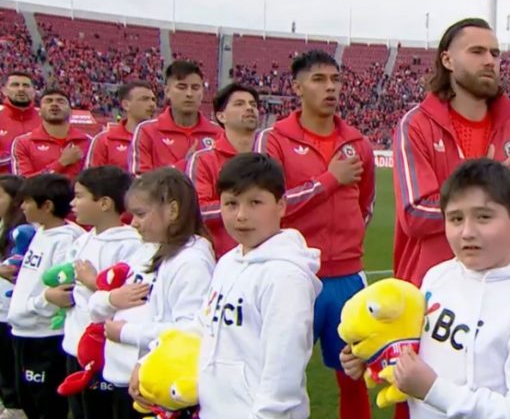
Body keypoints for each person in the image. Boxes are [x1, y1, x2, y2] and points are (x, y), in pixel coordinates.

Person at [341, 159, 510, 419]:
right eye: (456, 218)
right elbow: (418, 346)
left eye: (483, 217)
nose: (467, 232)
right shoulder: (438, 277)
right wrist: (374, 356)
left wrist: (434, 390)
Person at [255, 50, 375, 419]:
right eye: (319, 80)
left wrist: (347, 241)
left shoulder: (358, 143)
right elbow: (265, 208)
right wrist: (328, 181)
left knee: (354, 375)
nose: (330, 88)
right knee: (277, 375)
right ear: (297, 87)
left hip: (347, 278)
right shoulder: (273, 140)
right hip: (294, 275)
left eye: (336, 80)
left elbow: (365, 205)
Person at [392, 18, 510, 290]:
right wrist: (483, 186)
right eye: (477, 52)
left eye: (495, 53)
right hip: (432, 291)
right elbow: (414, 215)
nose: (490, 61)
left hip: (497, 287)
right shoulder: (417, 124)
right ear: (447, 60)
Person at [187, 153, 321, 418]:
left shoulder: (285, 276)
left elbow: (283, 368)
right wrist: (153, 362)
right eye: (231, 204)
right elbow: (203, 325)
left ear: (281, 205)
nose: (241, 215)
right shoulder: (227, 262)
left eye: (255, 202)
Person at [89, 168, 213, 416]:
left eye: (140, 214)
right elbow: (106, 297)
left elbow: (188, 333)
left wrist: (126, 332)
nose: (133, 222)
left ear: (173, 211)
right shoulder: (146, 249)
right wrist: (108, 300)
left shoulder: (192, 262)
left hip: (155, 387)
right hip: (124, 377)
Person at [62, 166, 142, 419]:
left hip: (104, 352)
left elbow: (130, 297)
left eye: (80, 196)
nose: (73, 203)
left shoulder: (130, 243)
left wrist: (93, 281)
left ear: (105, 203)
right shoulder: (83, 239)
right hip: (74, 345)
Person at [7, 174, 85, 419]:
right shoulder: (39, 232)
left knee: (47, 407)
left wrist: (36, 303)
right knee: (28, 402)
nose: (21, 207)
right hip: (22, 331)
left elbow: (61, 291)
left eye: (27, 202)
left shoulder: (67, 239)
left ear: (47, 206)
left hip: (44, 337)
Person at [188, 83, 260, 258]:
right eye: (239, 104)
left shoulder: (269, 155)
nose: (249, 108)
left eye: (253, 104)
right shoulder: (204, 159)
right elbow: (198, 210)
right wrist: (248, 207)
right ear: (221, 116)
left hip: (265, 258)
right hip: (220, 258)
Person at [128, 61, 222, 175]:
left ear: (202, 92)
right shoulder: (147, 131)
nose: (189, 94)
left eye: (195, 88)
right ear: (167, 91)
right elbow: (140, 183)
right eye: (182, 87)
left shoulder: (218, 133)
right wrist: (185, 164)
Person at [10, 88, 92, 179]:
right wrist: (61, 163)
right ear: (39, 111)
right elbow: (22, 184)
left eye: (60, 101)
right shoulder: (23, 143)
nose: (54, 104)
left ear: (71, 111)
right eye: (48, 101)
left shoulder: (89, 142)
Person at [0, 175, 26, 419]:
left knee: (10, 362)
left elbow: (12, 268)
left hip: (10, 309)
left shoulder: (21, 232)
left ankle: (15, 406)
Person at [86, 82, 157, 171]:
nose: (152, 104)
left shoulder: (162, 139)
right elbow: (91, 180)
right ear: (126, 105)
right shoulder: (104, 141)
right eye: (144, 99)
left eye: (153, 99)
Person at [0, 71, 41, 175]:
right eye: (15, 85)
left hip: (39, 187)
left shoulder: (46, 120)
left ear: (34, 91)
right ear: (4, 90)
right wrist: (15, 156)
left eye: (26, 85)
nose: (21, 89)